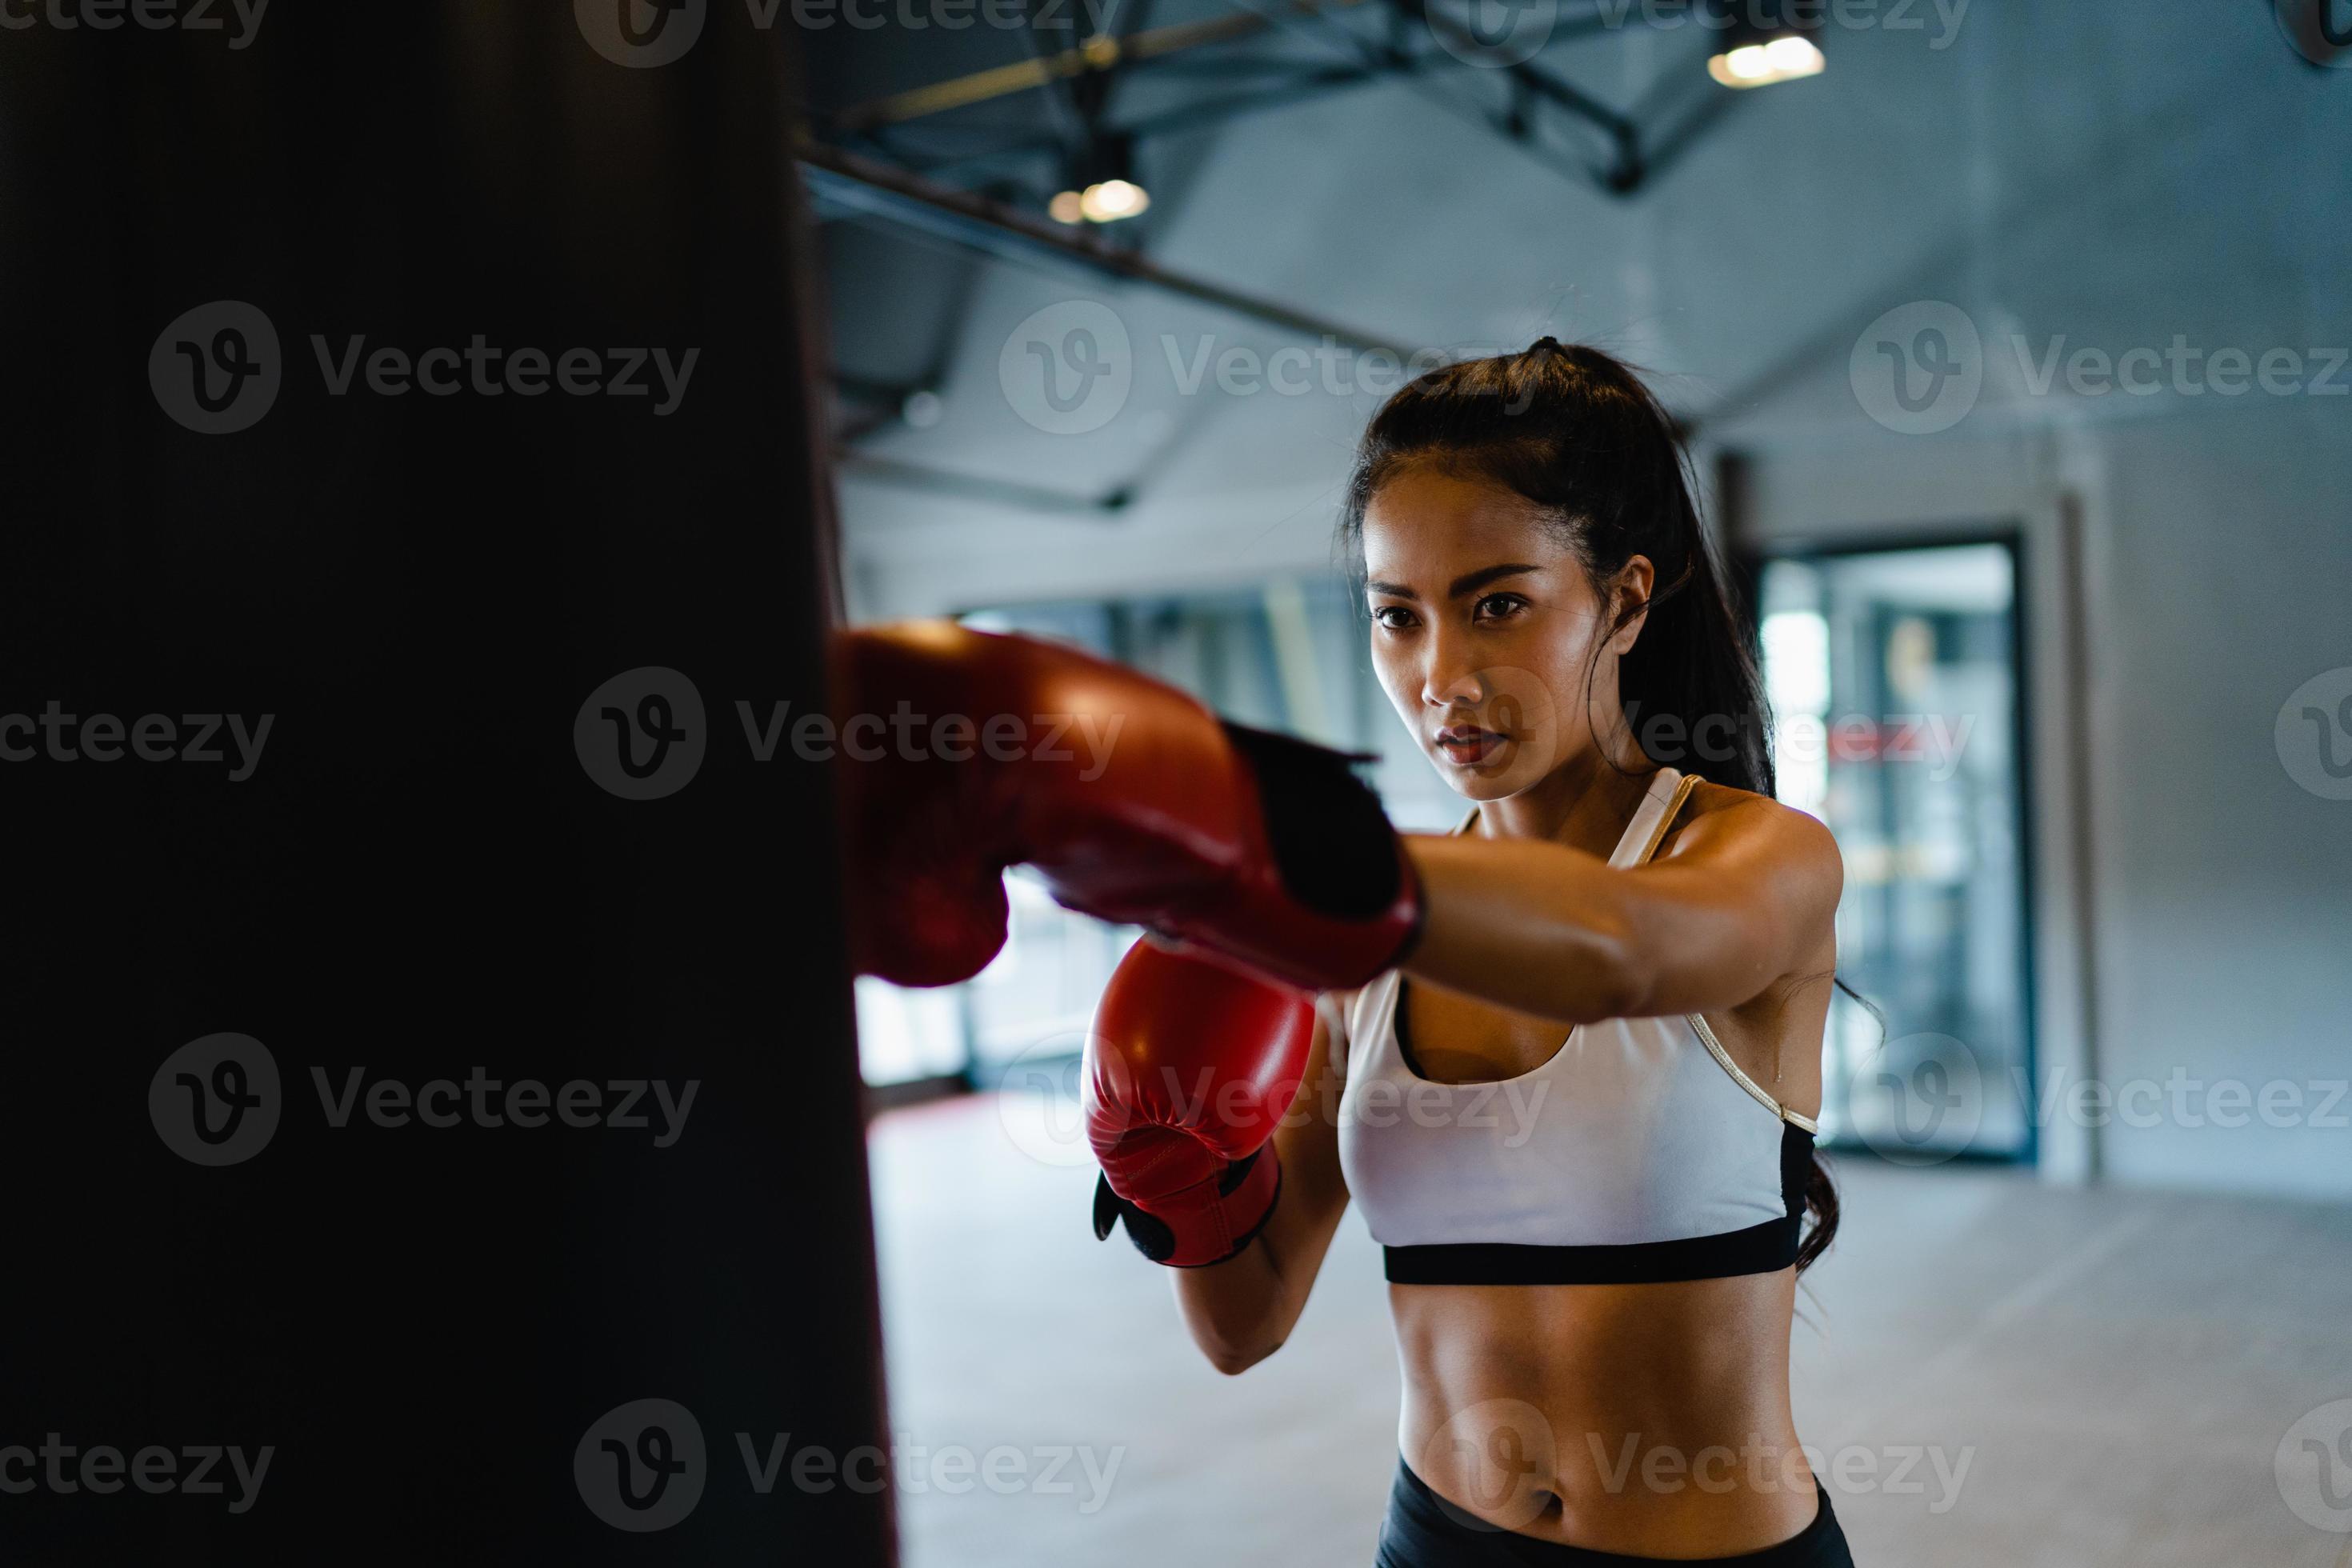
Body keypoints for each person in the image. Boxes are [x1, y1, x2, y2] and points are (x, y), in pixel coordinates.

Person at [836, 339, 1854, 1566]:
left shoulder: (1761, 859)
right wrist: (1179, 1180)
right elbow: (1243, 1323)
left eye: (1498, 604)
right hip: (1432, 1541)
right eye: (1396, 616)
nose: (1442, 678)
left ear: (1627, 601)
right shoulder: (1361, 946)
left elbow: (1617, 948)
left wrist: (1236, 829)